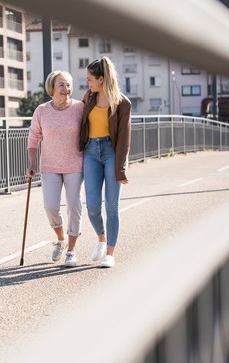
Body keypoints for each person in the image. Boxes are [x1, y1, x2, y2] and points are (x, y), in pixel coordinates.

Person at [26, 70, 84, 267]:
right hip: (49, 165)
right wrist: (32, 164)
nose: (66, 89)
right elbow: (33, 138)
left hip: (75, 163)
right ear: (51, 87)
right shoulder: (42, 111)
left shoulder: (79, 108)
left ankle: (71, 250)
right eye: (61, 84)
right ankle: (61, 239)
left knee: (74, 205)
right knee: (50, 207)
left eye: (68, 85)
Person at [79, 57, 132, 268]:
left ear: (101, 79)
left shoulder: (122, 103)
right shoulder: (88, 98)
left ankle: (110, 253)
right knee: (92, 206)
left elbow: (124, 139)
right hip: (91, 152)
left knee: (112, 206)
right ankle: (101, 238)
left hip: (111, 152)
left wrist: (121, 168)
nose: (88, 82)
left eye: (90, 79)